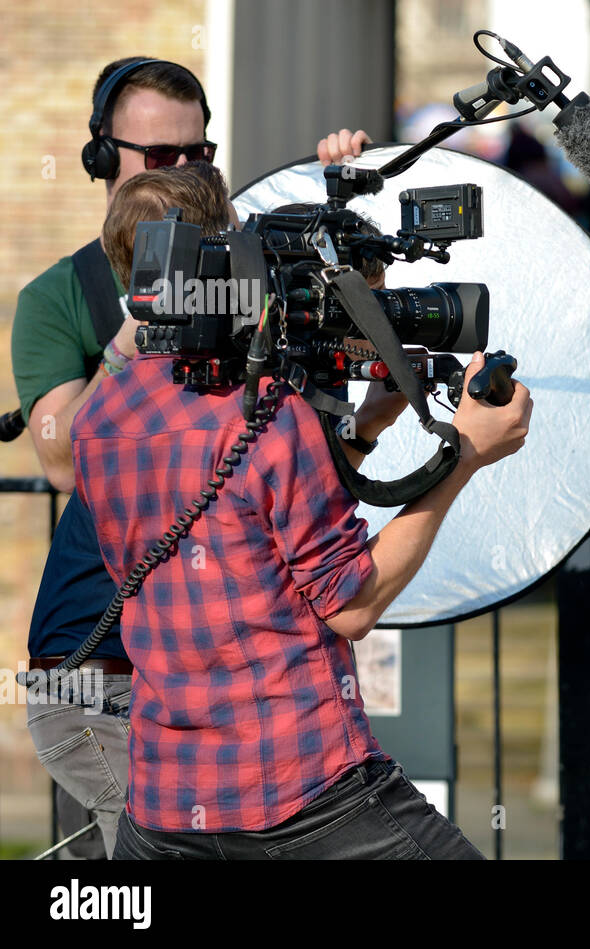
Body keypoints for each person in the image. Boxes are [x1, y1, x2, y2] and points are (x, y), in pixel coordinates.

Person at [71, 158, 533, 859]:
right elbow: (350, 603)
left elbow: (233, 523)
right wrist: (466, 451)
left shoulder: (95, 419)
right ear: (220, 257)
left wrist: (360, 430)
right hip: (302, 789)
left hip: (164, 804)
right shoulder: (264, 409)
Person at [12, 53, 372, 859]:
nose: (183, 172)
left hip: (229, 666)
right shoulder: (59, 297)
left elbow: (326, 394)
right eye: (160, 159)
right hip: (104, 669)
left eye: (198, 155)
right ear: (106, 163)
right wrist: (140, 328)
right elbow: (66, 459)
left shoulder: (248, 271)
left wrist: (340, 208)